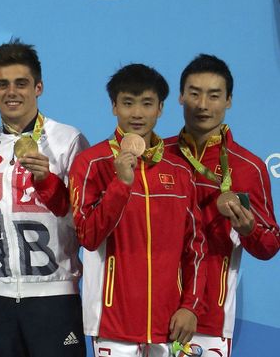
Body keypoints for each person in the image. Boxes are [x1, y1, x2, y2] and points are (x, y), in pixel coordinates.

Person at [69, 64, 207, 357]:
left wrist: (191, 306)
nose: (137, 113)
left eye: (146, 103)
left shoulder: (180, 170)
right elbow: (88, 237)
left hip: (170, 324)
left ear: (160, 108)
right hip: (112, 323)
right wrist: (121, 184)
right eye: (127, 103)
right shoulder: (91, 163)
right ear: (114, 107)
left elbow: (195, 247)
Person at [0, 40, 88, 357]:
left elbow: (84, 221)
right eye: (3, 84)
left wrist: (48, 182)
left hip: (54, 294)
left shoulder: (68, 140)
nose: (12, 92)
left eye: (21, 83)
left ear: (38, 87)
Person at [164, 54, 280, 356]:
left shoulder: (247, 167)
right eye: (194, 93)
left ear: (228, 100)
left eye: (214, 95)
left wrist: (249, 229)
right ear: (180, 97)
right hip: (148, 308)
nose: (203, 104)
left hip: (208, 319)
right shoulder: (156, 156)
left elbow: (269, 246)